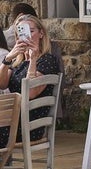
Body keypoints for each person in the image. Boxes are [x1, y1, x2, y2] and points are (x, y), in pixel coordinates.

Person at [0, 14, 59, 147]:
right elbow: (1, 84)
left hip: (29, 124)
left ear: (41, 33)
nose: (26, 36)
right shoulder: (17, 62)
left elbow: (30, 92)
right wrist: (7, 59)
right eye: (21, 33)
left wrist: (33, 60)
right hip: (11, 119)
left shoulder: (47, 60)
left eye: (31, 31)